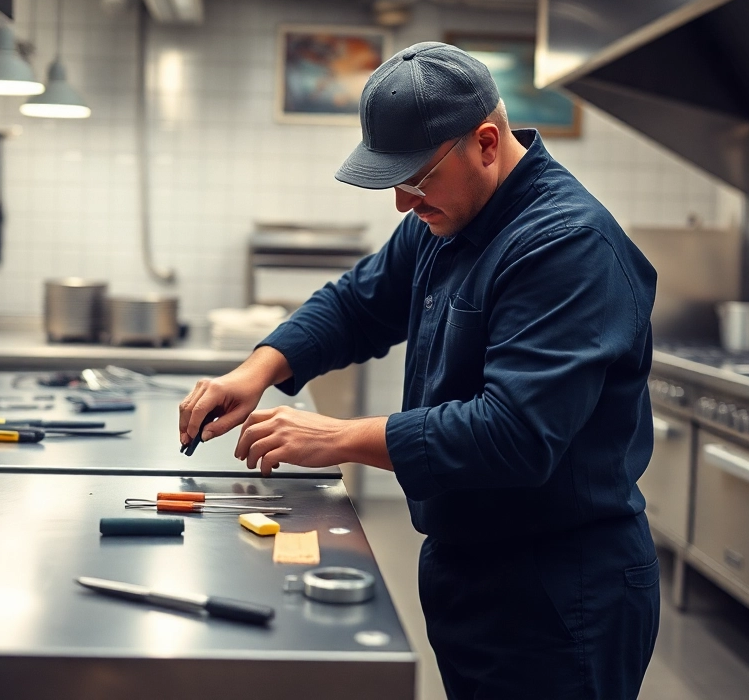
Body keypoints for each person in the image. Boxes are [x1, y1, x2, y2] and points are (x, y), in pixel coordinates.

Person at [178, 41, 660, 699]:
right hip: (471, 568)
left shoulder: (565, 246)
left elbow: (513, 435)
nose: (403, 206)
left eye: (417, 179)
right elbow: (357, 303)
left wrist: (339, 439)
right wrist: (257, 369)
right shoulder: (450, 216)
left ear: (486, 143)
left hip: (557, 592)